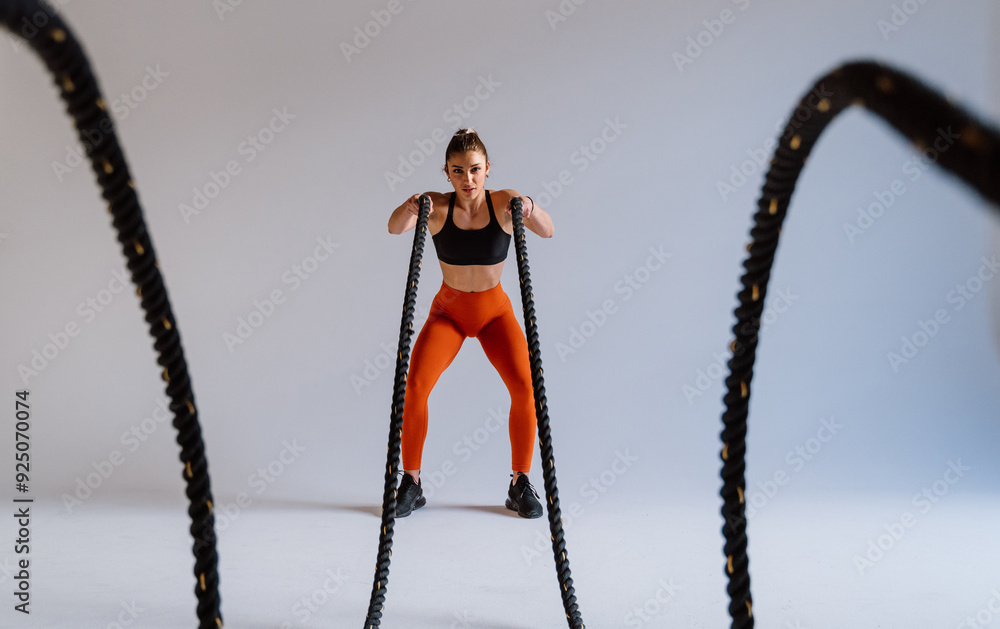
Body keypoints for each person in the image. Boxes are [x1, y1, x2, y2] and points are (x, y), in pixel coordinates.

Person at [387, 128, 554, 518]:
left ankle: (520, 482)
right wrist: (411, 206)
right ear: (446, 171)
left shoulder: (506, 204)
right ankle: (411, 481)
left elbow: (547, 229)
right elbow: (395, 227)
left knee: (525, 387)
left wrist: (529, 206)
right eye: (458, 171)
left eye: (475, 170)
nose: (468, 180)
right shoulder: (437, 208)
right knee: (415, 386)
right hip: (449, 315)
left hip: (495, 313)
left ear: (488, 169)